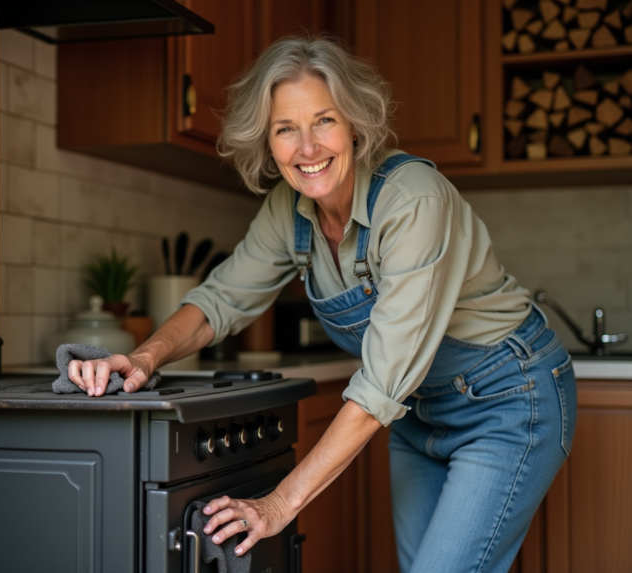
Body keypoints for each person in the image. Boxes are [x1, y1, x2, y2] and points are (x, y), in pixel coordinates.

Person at [68, 35, 576, 573]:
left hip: (508, 401)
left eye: (324, 121)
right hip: (416, 412)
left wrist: (278, 504)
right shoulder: (288, 210)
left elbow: (382, 382)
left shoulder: (413, 201)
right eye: (286, 129)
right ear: (268, 142)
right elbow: (220, 301)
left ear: (356, 124)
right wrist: (145, 358)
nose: (307, 148)